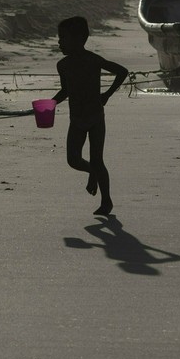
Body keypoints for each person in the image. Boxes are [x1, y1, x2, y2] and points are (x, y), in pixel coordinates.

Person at [50, 16, 129, 216]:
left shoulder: (93, 60)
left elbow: (122, 71)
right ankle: (92, 173)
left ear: (79, 39)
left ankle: (106, 202)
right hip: (76, 119)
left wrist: (107, 95)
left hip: (95, 117)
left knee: (97, 159)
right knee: (74, 160)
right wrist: (50, 104)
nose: (59, 42)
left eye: (63, 38)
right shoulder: (63, 65)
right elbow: (65, 91)